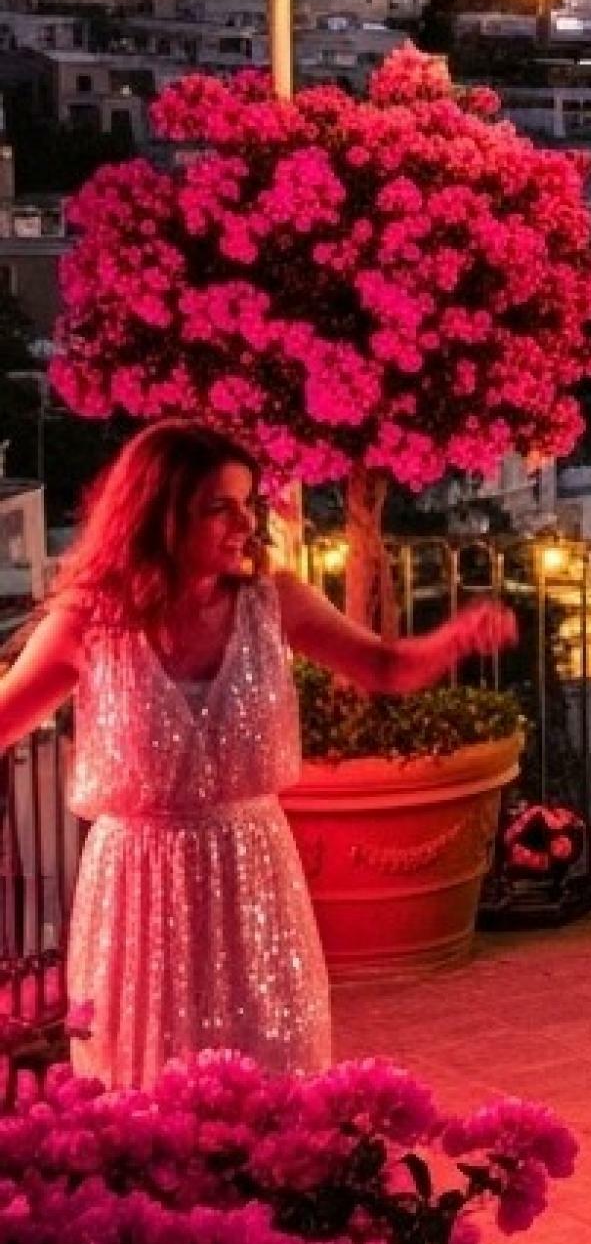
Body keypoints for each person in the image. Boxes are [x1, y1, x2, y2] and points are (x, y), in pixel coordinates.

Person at [0, 419, 516, 1090]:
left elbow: (383, 667)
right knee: (141, 1075)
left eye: (248, 503)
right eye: (220, 506)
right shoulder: (90, 621)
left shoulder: (274, 604)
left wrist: (453, 640)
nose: (245, 522)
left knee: (270, 1068)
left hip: (251, 875)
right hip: (138, 891)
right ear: (160, 515)